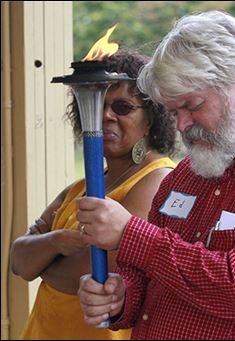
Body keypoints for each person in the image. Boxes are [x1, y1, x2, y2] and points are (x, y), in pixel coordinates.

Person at [77, 11, 235, 340]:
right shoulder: (187, 173)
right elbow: (147, 279)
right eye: (173, 111)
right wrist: (121, 296)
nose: (181, 125)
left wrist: (131, 235)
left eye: (192, 106)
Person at [10, 48, 177, 340]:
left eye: (122, 107)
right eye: (97, 104)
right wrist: (57, 241)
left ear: (150, 116)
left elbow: (91, 273)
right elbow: (18, 260)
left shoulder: (158, 179)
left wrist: (42, 264)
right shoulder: (79, 187)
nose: (106, 116)